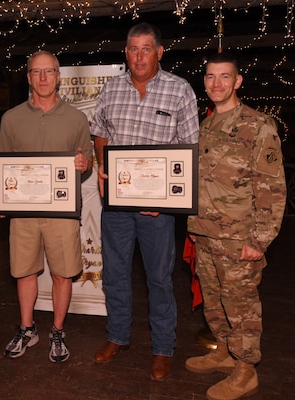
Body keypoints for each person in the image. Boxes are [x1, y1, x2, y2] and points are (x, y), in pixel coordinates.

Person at [90, 22, 200, 381]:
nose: (139, 56)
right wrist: (103, 165)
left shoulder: (179, 90)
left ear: (159, 52)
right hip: (117, 206)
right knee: (116, 275)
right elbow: (100, 133)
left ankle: (163, 348)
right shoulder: (111, 89)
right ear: (126, 53)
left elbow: (189, 152)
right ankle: (118, 337)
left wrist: (167, 200)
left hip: (157, 210)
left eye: (146, 49)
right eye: (133, 49)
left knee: (159, 279)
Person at [186, 52, 286, 400]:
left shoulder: (258, 126)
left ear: (238, 81)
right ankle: (226, 353)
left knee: (241, 305)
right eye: (211, 77)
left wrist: (259, 240)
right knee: (214, 302)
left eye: (225, 77)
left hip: (238, 238)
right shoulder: (203, 126)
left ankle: (246, 371)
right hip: (204, 233)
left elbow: (272, 189)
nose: (217, 83)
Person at [0, 50, 93, 363]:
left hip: (61, 212)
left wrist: (84, 163)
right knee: (24, 271)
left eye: (49, 71)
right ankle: (27, 327)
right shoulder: (11, 118)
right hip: (23, 213)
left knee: (62, 274)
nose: (43, 78)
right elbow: (3, 163)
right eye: (37, 72)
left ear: (59, 77)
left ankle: (57, 330)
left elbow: (84, 160)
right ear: (29, 77)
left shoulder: (77, 118)